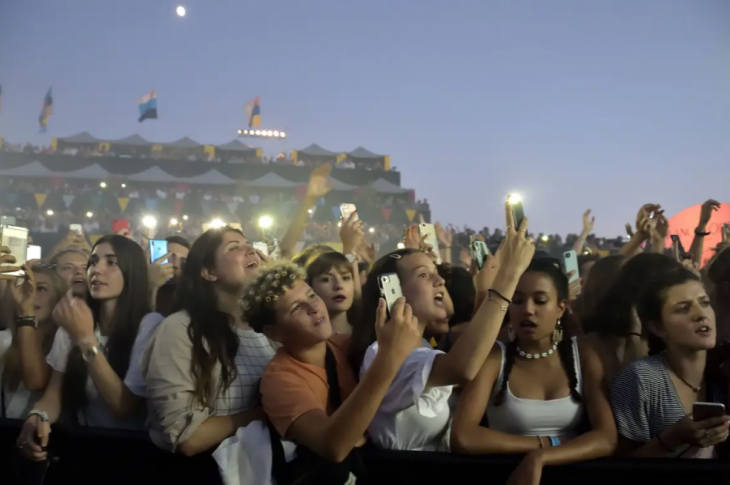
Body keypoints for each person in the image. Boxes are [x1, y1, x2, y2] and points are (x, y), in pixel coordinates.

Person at [349, 203, 535, 452]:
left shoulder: (424, 347)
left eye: (437, 273)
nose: (440, 280)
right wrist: (509, 275)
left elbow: (472, 355)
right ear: (394, 293)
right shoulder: (383, 352)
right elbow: (463, 368)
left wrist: (484, 291)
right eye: (424, 275)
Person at [245, 260, 423, 484]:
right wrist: (388, 358)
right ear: (274, 332)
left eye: (311, 296)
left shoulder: (344, 344)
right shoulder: (279, 380)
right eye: (296, 308)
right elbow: (334, 446)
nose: (314, 308)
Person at [451, 259, 617, 483]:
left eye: (540, 301)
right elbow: (463, 437)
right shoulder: (492, 357)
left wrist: (541, 458)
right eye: (518, 300)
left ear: (561, 308)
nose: (527, 310)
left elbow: (607, 437)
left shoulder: (583, 353)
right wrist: (545, 444)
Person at [17, 235, 160, 462]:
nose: (96, 270)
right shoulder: (78, 318)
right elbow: (53, 395)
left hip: (135, 453)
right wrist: (37, 416)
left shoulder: (150, 324)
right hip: (87, 446)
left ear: (132, 272)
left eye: (111, 262)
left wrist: (85, 340)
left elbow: (123, 407)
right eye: (93, 262)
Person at [142, 226, 271, 456]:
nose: (250, 249)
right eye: (235, 247)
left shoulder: (271, 328)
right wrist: (263, 412)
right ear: (209, 272)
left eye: (248, 244)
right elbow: (186, 437)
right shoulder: (182, 329)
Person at [611, 268, 730, 458]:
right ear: (657, 327)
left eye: (705, 303)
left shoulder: (723, 371)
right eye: (683, 308)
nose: (701, 314)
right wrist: (673, 437)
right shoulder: (641, 378)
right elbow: (621, 467)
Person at [1, 264, 66, 417]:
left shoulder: (66, 341)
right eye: (24, 286)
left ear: (58, 297)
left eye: (41, 289)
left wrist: (26, 315)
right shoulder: (5, 340)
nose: (30, 294)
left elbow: (35, 382)